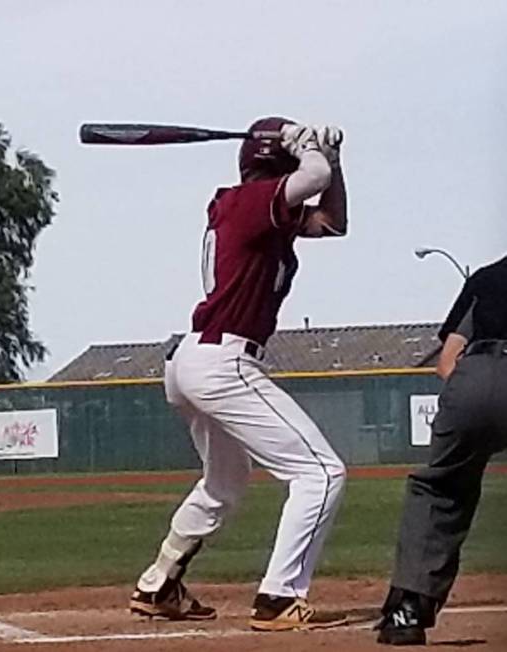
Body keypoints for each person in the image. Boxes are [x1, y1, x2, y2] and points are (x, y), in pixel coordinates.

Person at [129, 118, 350, 631]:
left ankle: (158, 582)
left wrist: (333, 162)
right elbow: (310, 179)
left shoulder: (261, 213)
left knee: (224, 482)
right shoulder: (251, 201)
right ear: (279, 163)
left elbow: (332, 221)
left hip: (197, 359)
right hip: (221, 360)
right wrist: (310, 150)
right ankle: (277, 598)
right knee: (320, 473)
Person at [376, 255, 507, 646]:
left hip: (477, 375)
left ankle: (407, 611)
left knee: (441, 488)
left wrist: (477, 393)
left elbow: (446, 362)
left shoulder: (488, 277)